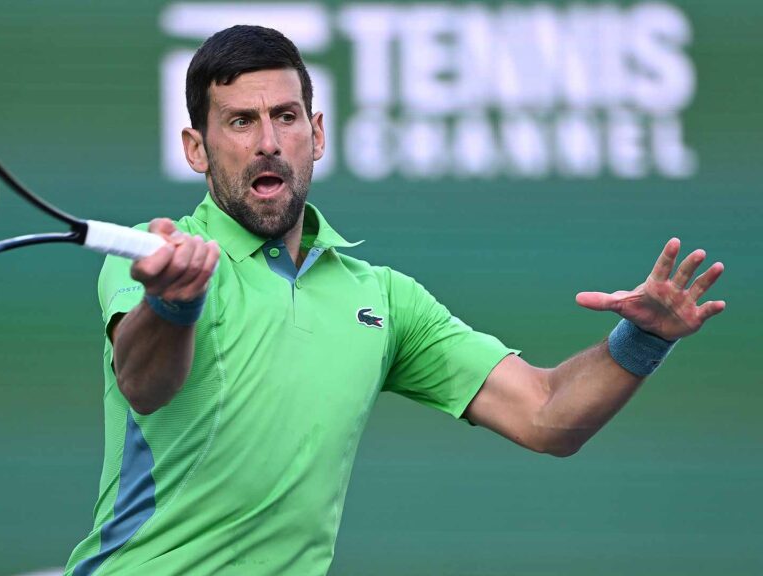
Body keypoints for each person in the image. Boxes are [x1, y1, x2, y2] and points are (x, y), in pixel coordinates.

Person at [64, 25, 726, 576]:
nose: (268, 141)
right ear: (196, 149)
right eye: (240, 121)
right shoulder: (159, 258)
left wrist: (643, 341)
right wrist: (175, 303)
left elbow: (546, 415)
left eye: (285, 117)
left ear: (316, 135)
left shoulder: (381, 299)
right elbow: (144, 384)